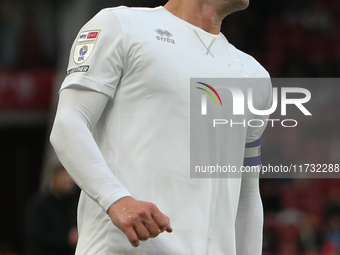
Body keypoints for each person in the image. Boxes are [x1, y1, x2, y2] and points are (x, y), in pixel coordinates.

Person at [50, 0, 272, 253]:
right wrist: (116, 199)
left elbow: (247, 197)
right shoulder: (121, 25)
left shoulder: (255, 76)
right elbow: (69, 122)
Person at [24, 166, 78, 255]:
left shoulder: (74, 204)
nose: (69, 185)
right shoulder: (38, 205)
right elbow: (35, 235)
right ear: (54, 179)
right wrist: (67, 238)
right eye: (65, 181)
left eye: (70, 182)